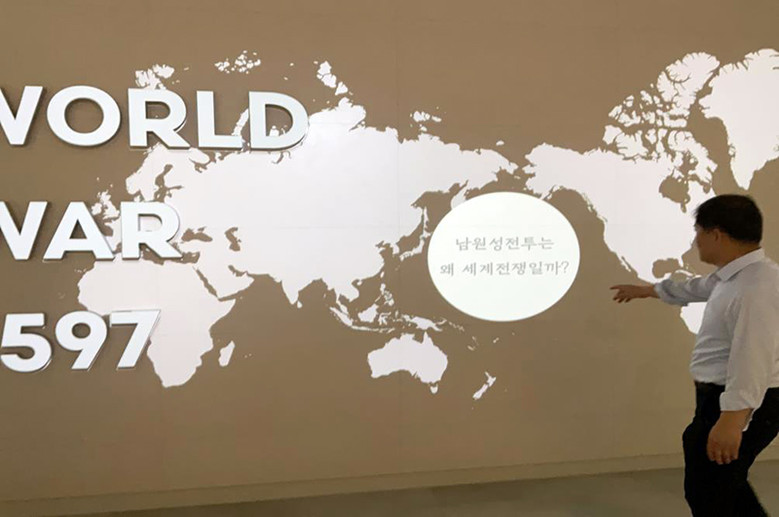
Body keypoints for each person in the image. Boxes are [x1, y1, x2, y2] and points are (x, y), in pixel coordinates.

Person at [610, 194, 779, 516]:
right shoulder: (735, 276)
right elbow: (700, 287)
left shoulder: (756, 287)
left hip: (744, 402)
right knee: (723, 487)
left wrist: (732, 420)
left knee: (710, 491)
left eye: (698, 232)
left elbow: (753, 357)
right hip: (727, 400)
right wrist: (648, 291)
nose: (695, 241)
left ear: (716, 234)